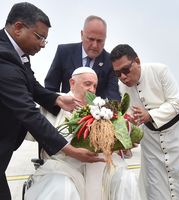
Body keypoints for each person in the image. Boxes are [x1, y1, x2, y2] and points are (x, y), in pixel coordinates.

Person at [0, 3, 102, 200]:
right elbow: (29, 113)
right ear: (19, 28)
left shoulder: (17, 54)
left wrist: (56, 99)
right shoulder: (3, 58)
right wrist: (71, 150)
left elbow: (32, 84)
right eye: (39, 37)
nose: (42, 44)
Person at [25, 67, 141, 200]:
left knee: (127, 181)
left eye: (95, 86)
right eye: (87, 84)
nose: (92, 89)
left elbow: (117, 146)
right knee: (62, 188)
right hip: (63, 167)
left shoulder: (104, 109)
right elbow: (30, 128)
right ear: (72, 83)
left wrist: (126, 142)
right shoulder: (53, 103)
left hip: (101, 168)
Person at [110, 44, 179, 200]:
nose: (123, 76)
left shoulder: (159, 70)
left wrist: (150, 115)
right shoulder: (122, 86)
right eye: (117, 73)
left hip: (176, 138)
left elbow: (177, 103)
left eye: (126, 70)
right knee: (154, 188)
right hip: (150, 144)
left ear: (138, 61)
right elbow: (129, 115)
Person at [44, 15, 121, 101]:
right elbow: (50, 88)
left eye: (99, 41)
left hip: (96, 112)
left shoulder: (110, 62)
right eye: (91, 39)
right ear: (82, 34)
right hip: (64, 111)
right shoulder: (64, 52)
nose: (95, 45)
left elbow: (114, 97)